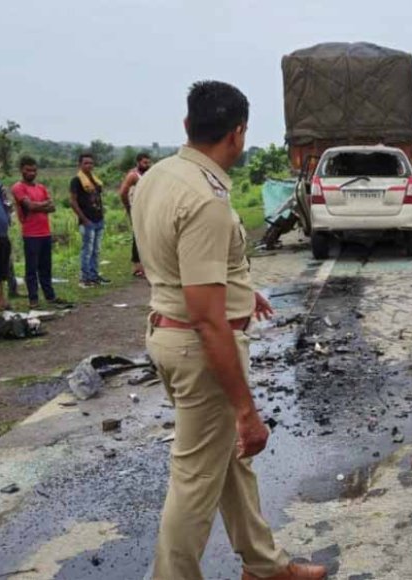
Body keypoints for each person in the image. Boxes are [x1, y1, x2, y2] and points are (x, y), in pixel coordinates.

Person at [133, 80, 327, 580]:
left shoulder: (157, 177)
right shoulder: (205, 199)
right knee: (196, 478)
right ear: (237, 134)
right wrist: (247, 410)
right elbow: (205, 317)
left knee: (229, 464)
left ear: (186, 126)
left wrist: (241, 293)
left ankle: (264, 565)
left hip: (168, 331)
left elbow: (184, 269)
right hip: (200, 346)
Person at [11, 157, 70, 310]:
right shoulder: (18, 187)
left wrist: (39, 206)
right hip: (30, 234)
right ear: (21, 170)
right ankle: (33, 299)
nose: (31, 173)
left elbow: (52, 207)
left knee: (46, 268)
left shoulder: (41, 187)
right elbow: (29, 206)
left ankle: (50, 296)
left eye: (34, 170)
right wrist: (42, 205)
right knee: (31, 269)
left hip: (45, 233)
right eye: (28, 170)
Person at [69, 153, 109, 287]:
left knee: (96, 250)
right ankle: (85, 277)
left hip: (98, 218)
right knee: (87, 250)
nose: (89, 165)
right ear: (80, 165)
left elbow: (99, 193)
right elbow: (73, 201)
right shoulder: (76, 180)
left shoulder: (94, 179)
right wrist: (83, 219)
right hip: (87, 220)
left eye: (91, 163)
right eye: (86, 163)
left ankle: (94, 275)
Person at [119, 152, 151, 278]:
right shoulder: (133, 175)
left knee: (148, 237)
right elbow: (122, 192)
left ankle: (147, 266)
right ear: (138, 162)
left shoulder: (149, 174)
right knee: (138, 237)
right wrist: (129, 208)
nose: (147, 165)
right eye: (144, 162)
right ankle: (137, 267)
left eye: (148, 162)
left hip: (148, 210)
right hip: (137, 210)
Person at [0, 181, 12, 310]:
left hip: (2, 233)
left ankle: (1, 299)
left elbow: (7, 204)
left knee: (2, 269)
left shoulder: (0, 185)